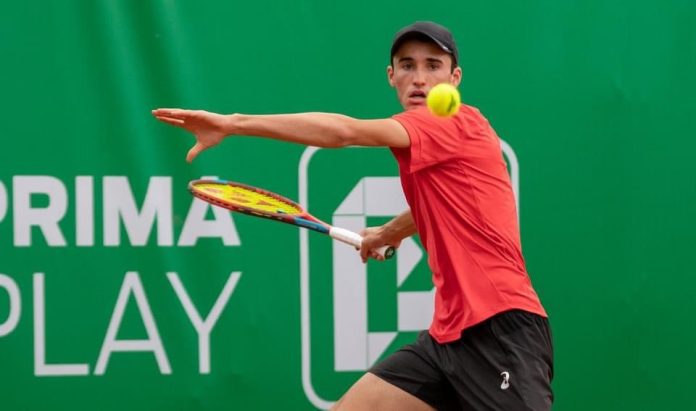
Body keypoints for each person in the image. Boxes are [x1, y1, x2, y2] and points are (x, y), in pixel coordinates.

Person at [153, 21, 553, 411]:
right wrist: (389, 233)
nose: (419, 78)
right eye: (408, 65)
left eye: (433, 66)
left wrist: (232, 124)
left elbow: (343, 132)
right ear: (391, 76)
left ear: (455, 78)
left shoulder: (452, 121)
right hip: (447, 336)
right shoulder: (442, 145)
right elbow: (445, 206)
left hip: (499, 329)